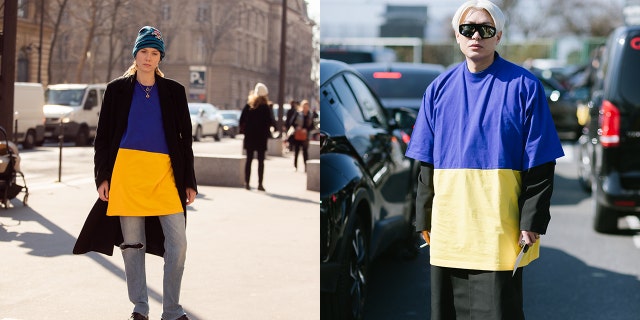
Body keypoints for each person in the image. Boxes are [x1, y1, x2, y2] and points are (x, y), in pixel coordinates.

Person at [404, 1, 564, 319]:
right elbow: (425, 164)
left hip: (498, 228)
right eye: (468, 29)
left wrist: (531, 222)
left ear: (498, 36)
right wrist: (423, 218)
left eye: (485, 29)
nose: (476, 35)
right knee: (446, 310)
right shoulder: (437, 90)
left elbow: (541, 163)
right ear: (457, 35)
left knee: (498, 311)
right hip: (450, 227)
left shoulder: (524, 87)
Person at [72, 26, 197, 320]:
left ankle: (172, 310)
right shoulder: (117, 90)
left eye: (154, 53)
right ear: (136, 54)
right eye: (144, 51)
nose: (149, 58)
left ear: (160, 57)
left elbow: (185, 140)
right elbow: (102, 137)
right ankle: (140, 307)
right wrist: (102, 177)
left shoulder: (174, 92)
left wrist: (189, 180)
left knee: (177, 244)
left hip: (165, 174)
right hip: (126, 174)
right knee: (132, 245)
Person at [239, 82, 276, 191]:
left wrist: (246, 131)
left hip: (250, 137)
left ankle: (247, 183)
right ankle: (260, 184)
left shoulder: (249, 105)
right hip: (261, 138)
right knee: (261, 161)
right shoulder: (266, 107)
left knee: (249, 160)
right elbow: (271, 121)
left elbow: (241, 120)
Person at [288, 99, 315, 172]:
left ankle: (306, 167)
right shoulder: (298, 113)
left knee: (305, 151)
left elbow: (312, 126)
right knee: (296, 151)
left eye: (307, 107)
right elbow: (291, 122)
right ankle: (295, 166)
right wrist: (297, 127)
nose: (305, 108)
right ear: (302, 107)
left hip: (306, 136)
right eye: (304, 107)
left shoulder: (311, 115)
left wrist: (306, 129)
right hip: (298, 134)